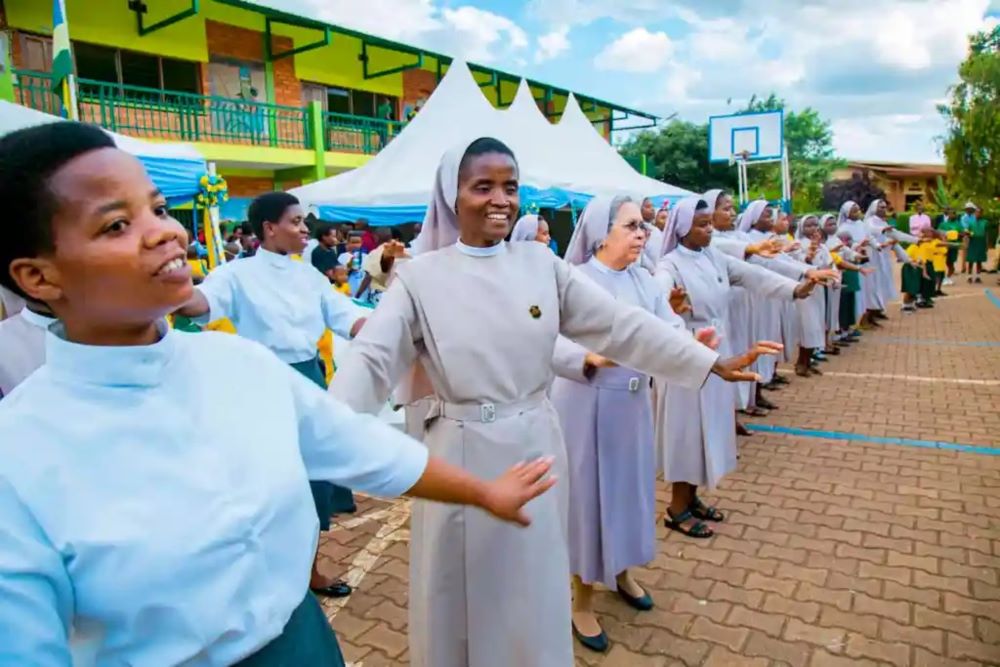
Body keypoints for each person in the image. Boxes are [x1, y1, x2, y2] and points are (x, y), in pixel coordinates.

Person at [0, 121, 558, 665]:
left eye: (160, 209)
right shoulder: (19, 456)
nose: (166, 233)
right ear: (38, 278)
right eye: (117, 225)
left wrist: (484, 492)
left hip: (307, 643)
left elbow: (365, 448)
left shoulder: (238, 365)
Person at [331, 136, 770, 667]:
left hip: (538, 444)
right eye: (483, 186)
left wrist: (704, 363)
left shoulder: (541, 265)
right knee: (466, 588)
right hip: (462, 454)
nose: (500, 199)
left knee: (533, 584)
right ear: (452, 195)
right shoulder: (419, 277)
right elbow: (372, 359)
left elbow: (616, 325)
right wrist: (321, 433)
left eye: (510, 186)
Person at [175, 192, 368, 600]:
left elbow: (345, 315)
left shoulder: (308, 275)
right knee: (268, 479)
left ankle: (310, 568)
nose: (304, 230)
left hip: (309, 378)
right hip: (260, 382)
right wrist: (168, 284)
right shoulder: (236, 274)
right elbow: (200, 304)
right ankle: (265, 570)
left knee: (314, 478)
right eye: (296, 221)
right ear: (269, 228)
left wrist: (383, 325)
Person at [549, 195, 720, 652]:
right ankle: (581, 600)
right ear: (602, 232)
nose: (642, 233)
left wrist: (695, 342)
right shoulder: (574, 280)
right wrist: (584, 356)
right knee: (588, 501)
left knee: (629, 493)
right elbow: (543, 341)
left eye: (643, 225)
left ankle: (622, 573)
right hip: (585, 405)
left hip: (631, 406)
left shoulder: (644, 280)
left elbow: (667, 330)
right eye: (630, 225)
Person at [657, 198, 810, 539]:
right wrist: (668, 306)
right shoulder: (669, 265)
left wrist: (796, 288)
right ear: (682, 229)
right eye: (701, 224)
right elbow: (658, 298)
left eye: (710, 222)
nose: (709, 228)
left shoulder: (714, 256)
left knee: (707, 429)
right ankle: (676, 509)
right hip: (687, 353)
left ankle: (692, 497)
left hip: (717, 353)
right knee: (687, 435)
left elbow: (754, 274)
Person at [962, 202, 987, 282]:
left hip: (981, 241)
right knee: (971, 259)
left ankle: (978, 276)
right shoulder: (971, 222)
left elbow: (986, 234)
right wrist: (968, 234)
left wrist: (986, 244)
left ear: (982, 213)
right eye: (976, 212)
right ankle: (969, 276)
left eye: (979, 212)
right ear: (975, 213)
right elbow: (967, 232)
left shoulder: (985, 222)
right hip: (973, 241)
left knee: (979, 260)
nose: (978, 214)